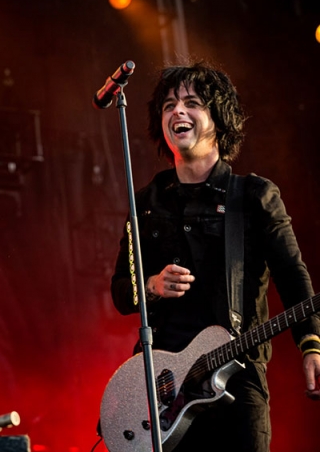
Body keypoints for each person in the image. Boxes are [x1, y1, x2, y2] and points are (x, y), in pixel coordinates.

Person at [109, 62, 320, 451]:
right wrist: (152, 286)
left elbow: (292, 276)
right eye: (169, 105)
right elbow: (122, 292)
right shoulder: (146, 203)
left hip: (237, 382)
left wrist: (311, 342)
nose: (178, 111)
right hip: (163, 391)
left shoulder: (253, 197)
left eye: (192, 103)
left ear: (218, 120)